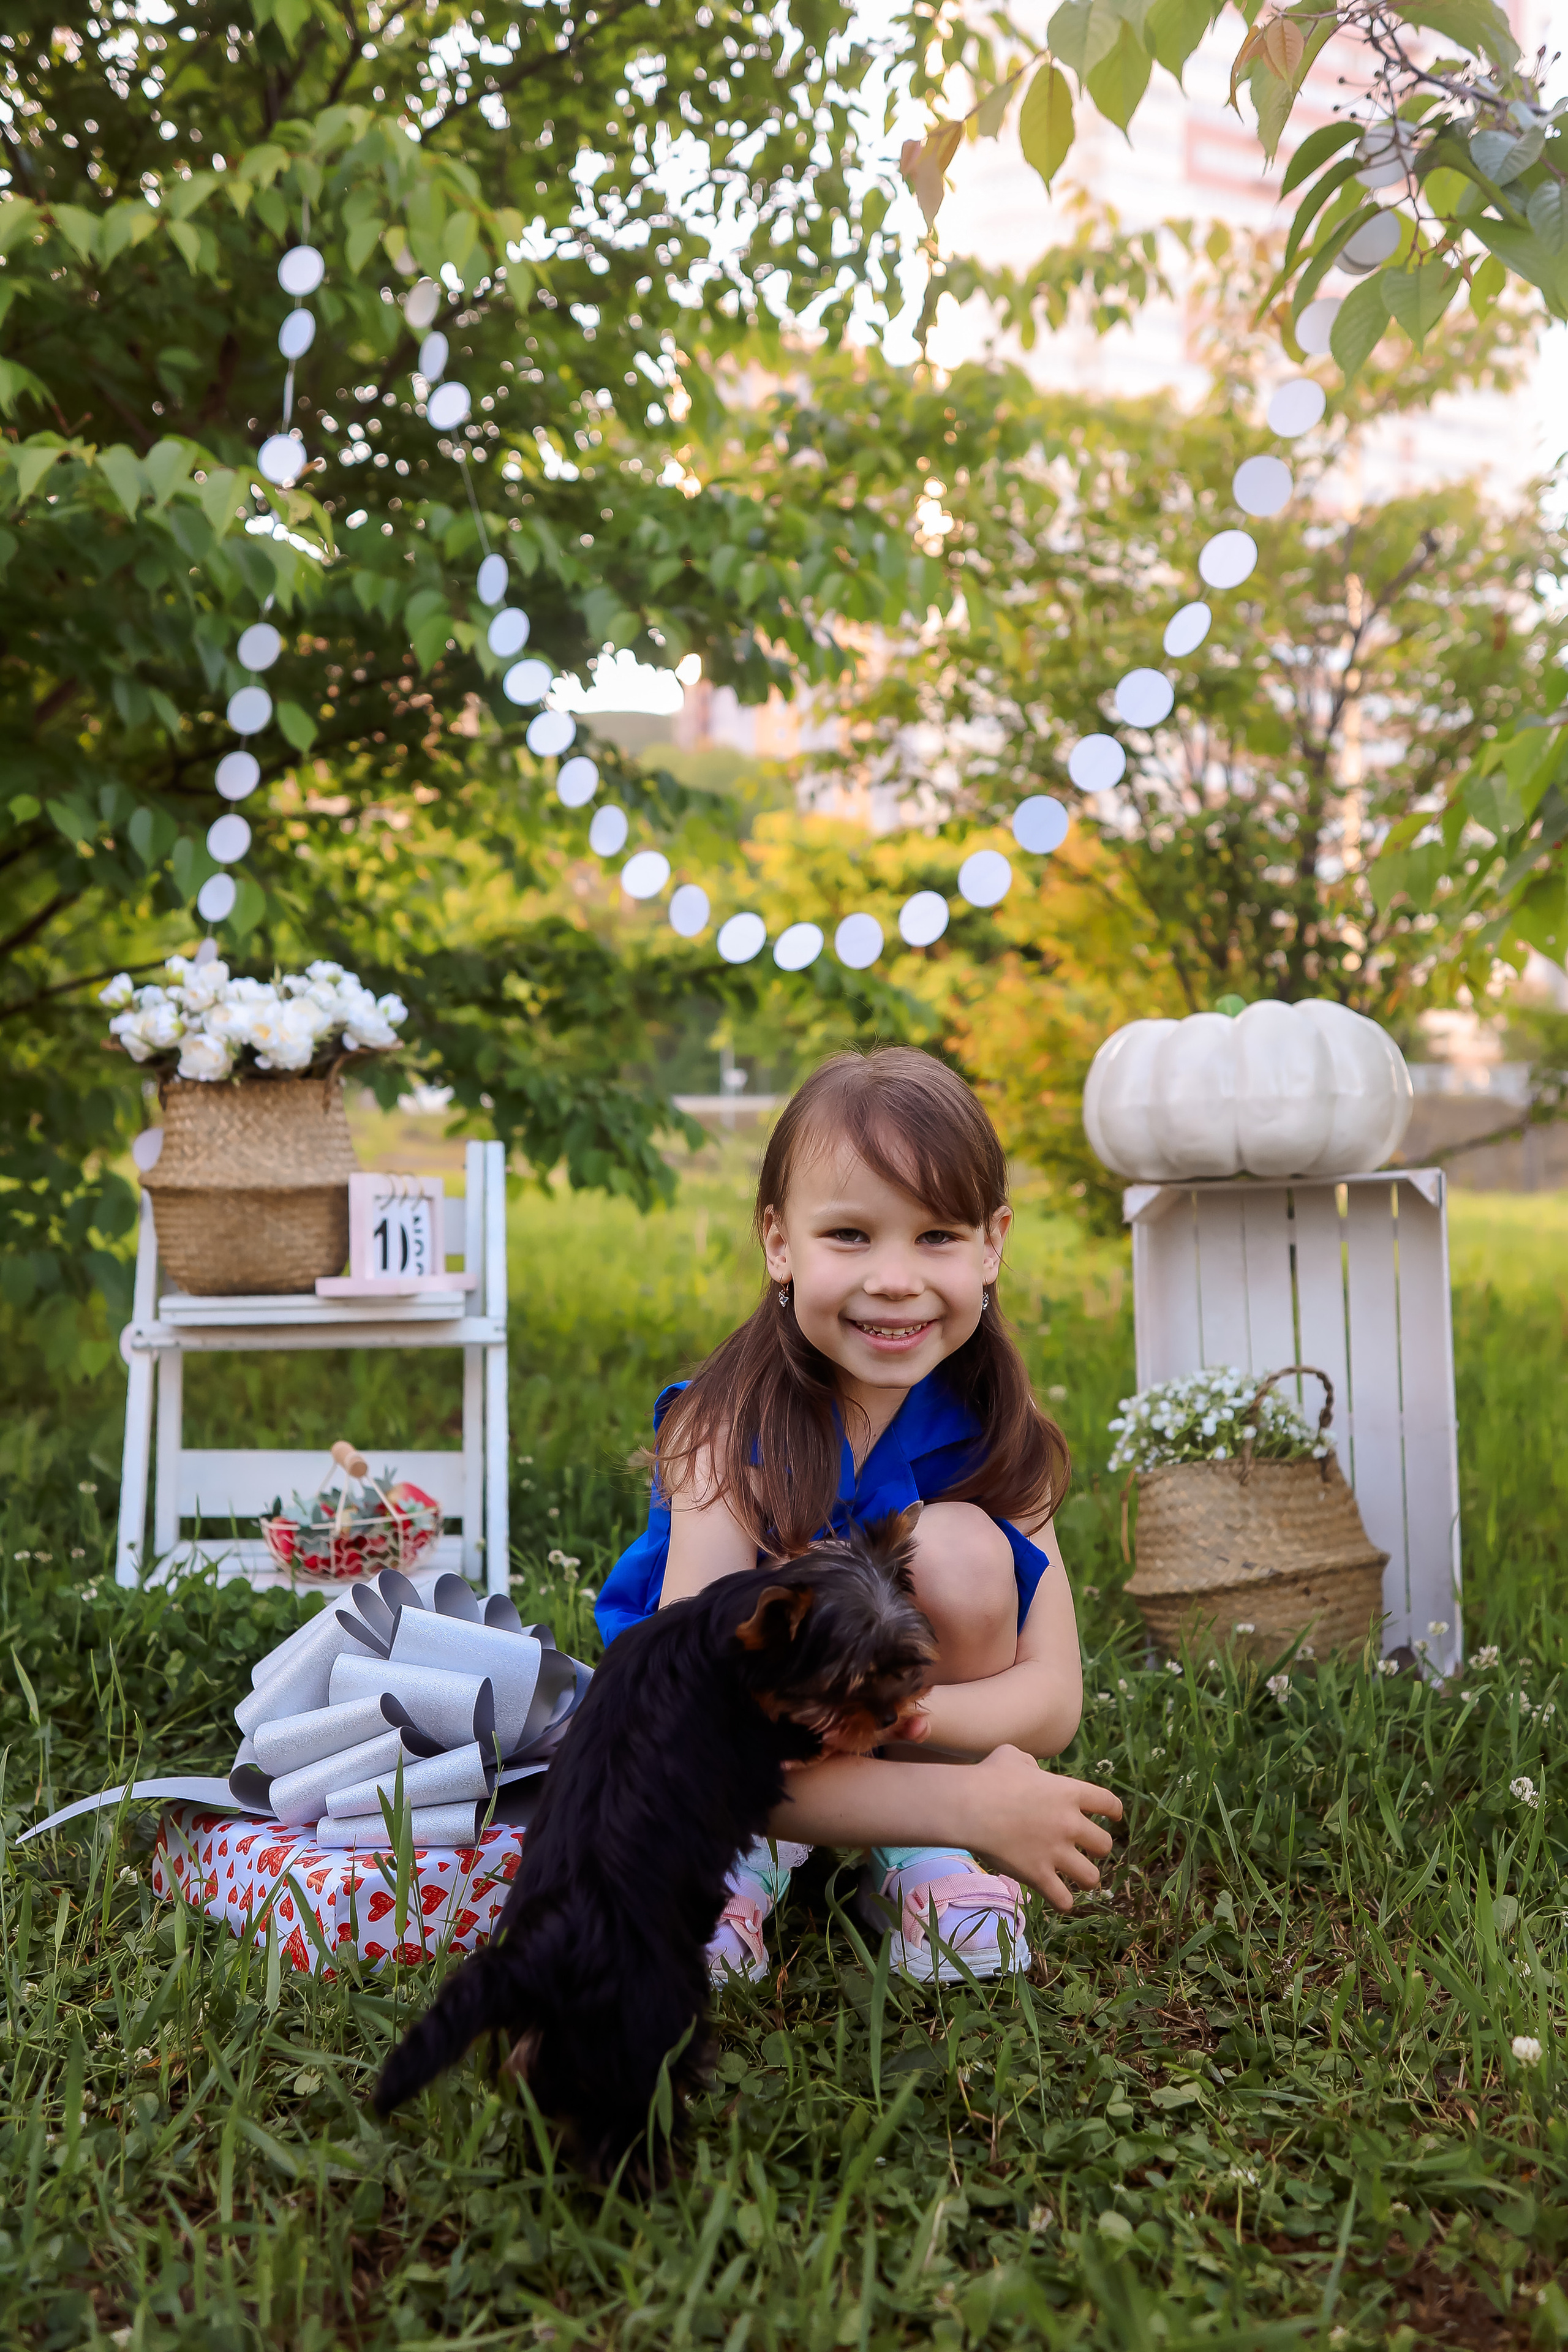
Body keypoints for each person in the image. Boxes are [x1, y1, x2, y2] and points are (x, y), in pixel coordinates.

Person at [595, 1046, 1122, 1983]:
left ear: (992, 1243)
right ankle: (741, 1857)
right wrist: (974, 1800)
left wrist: (895, 1715)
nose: (893, 1278)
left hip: (876, 1732)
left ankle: (917, 1857)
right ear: (779, 1243)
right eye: (849, 1235)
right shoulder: (724, 1433)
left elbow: (1053, 1701)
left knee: (958, 1546)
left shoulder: (999, 1437)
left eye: (936, 1237)